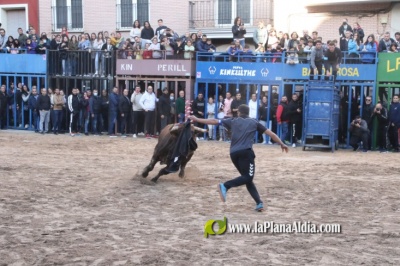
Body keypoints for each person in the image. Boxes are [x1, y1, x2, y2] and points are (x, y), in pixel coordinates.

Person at [189, 105, 288, 212]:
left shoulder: (233, 120)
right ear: (248, 113)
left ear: (239, 112)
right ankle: (225, 186)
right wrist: (281, 143)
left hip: (234, 153)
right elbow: (271, 134)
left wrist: (197, 119)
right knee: (248, 177)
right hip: (246, 153)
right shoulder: (254, 122)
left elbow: (213, 121)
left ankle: (259, 203)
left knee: (246, 178)